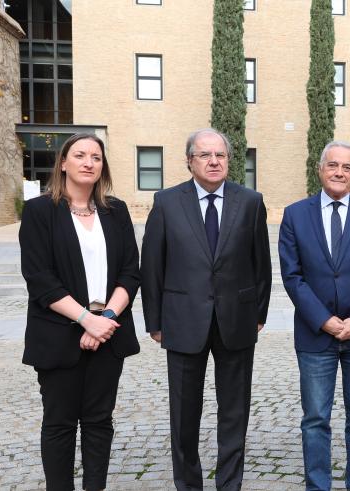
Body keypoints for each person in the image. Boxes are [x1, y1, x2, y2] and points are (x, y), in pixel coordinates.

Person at [140, 128, 272, 491]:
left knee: (235, 413)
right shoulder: (167, 202)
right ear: (189, 161)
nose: (214, 161)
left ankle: (229, 484)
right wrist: (155, 321)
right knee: (184, 416)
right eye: (205, 155)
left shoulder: (250, 201)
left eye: (221, 156)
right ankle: (189, 485)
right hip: (182, 322)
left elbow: (261, 262)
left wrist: (258, 313)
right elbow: (152, 264)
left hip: (237, 322)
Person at [20, 133, 140, 491]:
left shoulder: (115, 211)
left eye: (96, 157)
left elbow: (131, 272)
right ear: (63, 163)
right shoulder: (41, 211)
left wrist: (104, 319)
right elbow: (40, 279)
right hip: (58, 335)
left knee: (99, 421)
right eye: (80, 155)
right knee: (59, 424)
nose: (89, 162)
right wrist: (86, 319)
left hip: (109, 333)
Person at [278, 141, 350, 491]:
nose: (339, 172)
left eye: (347, 167)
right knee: (315, 419)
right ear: (320, 169)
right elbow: (292, 276)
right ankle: (318, 485)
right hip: (316, 336)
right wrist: (324, 320)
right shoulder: (296, 214)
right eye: (333, 165)